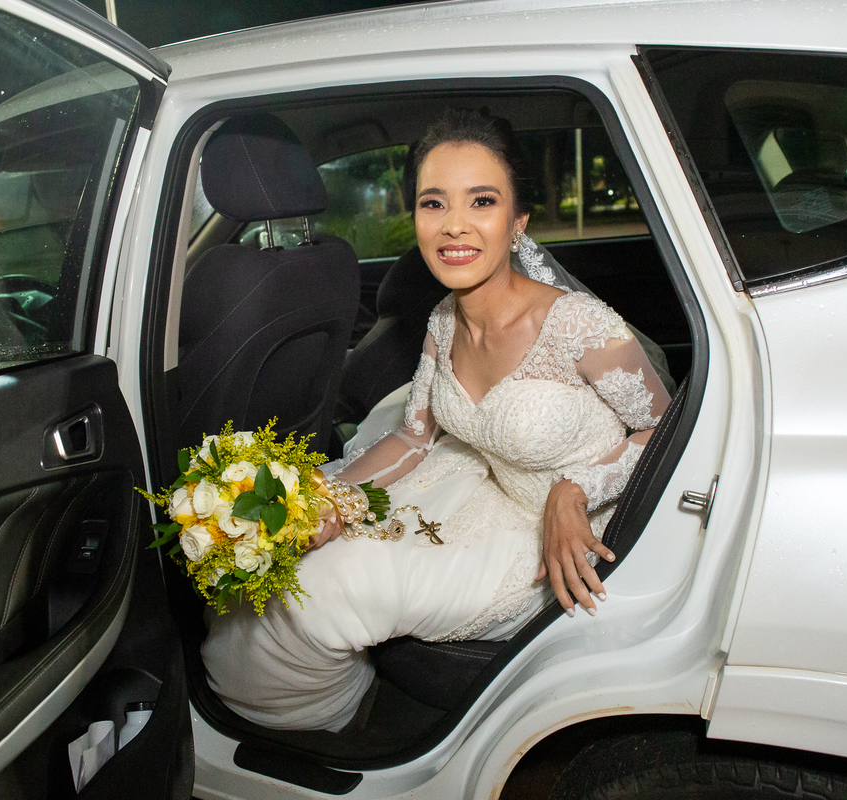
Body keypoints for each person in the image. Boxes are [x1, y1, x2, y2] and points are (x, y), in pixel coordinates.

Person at [202, 108, 670, 731]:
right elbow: (414, 436)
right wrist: (328, 499)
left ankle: (324, 730)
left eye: (482, 201)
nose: (454, 225)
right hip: (486, 484)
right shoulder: (443, 321)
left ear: (518, 221)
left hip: (568, 529)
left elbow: (663, 433)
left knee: (325, 590)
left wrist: (573, 489)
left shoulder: (581, 326)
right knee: (288, 549)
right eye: (433, 203)